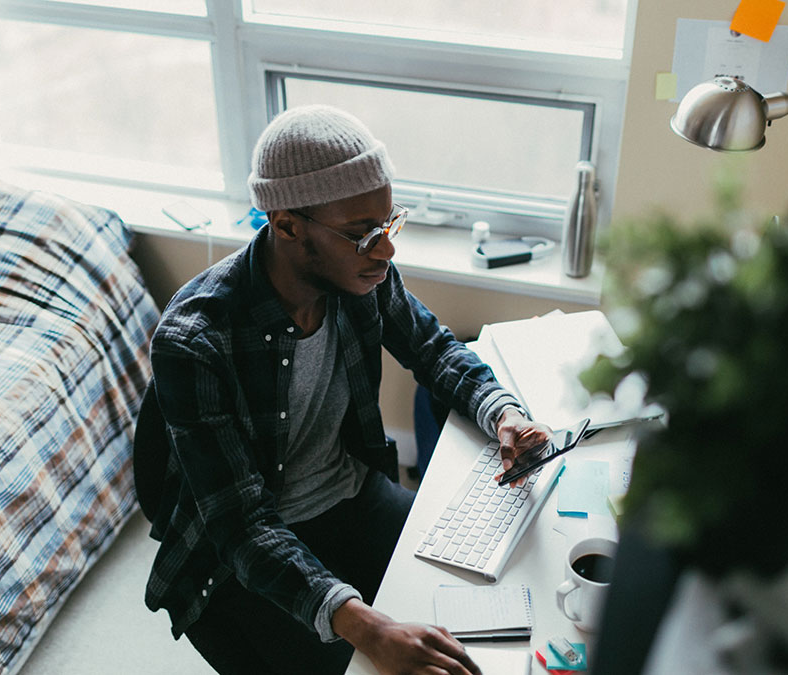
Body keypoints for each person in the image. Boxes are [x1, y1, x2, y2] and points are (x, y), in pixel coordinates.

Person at [136, 104, 552, 675]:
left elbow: (434, 349)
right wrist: (370, 627)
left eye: (389, 225)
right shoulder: (195, 341)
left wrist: (501, 413)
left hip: (352, 497)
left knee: (490, 592)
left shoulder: (363, 272)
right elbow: (243, 525)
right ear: (285, 225)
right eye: (362, 234)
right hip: (242, 557)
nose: (386, 249)